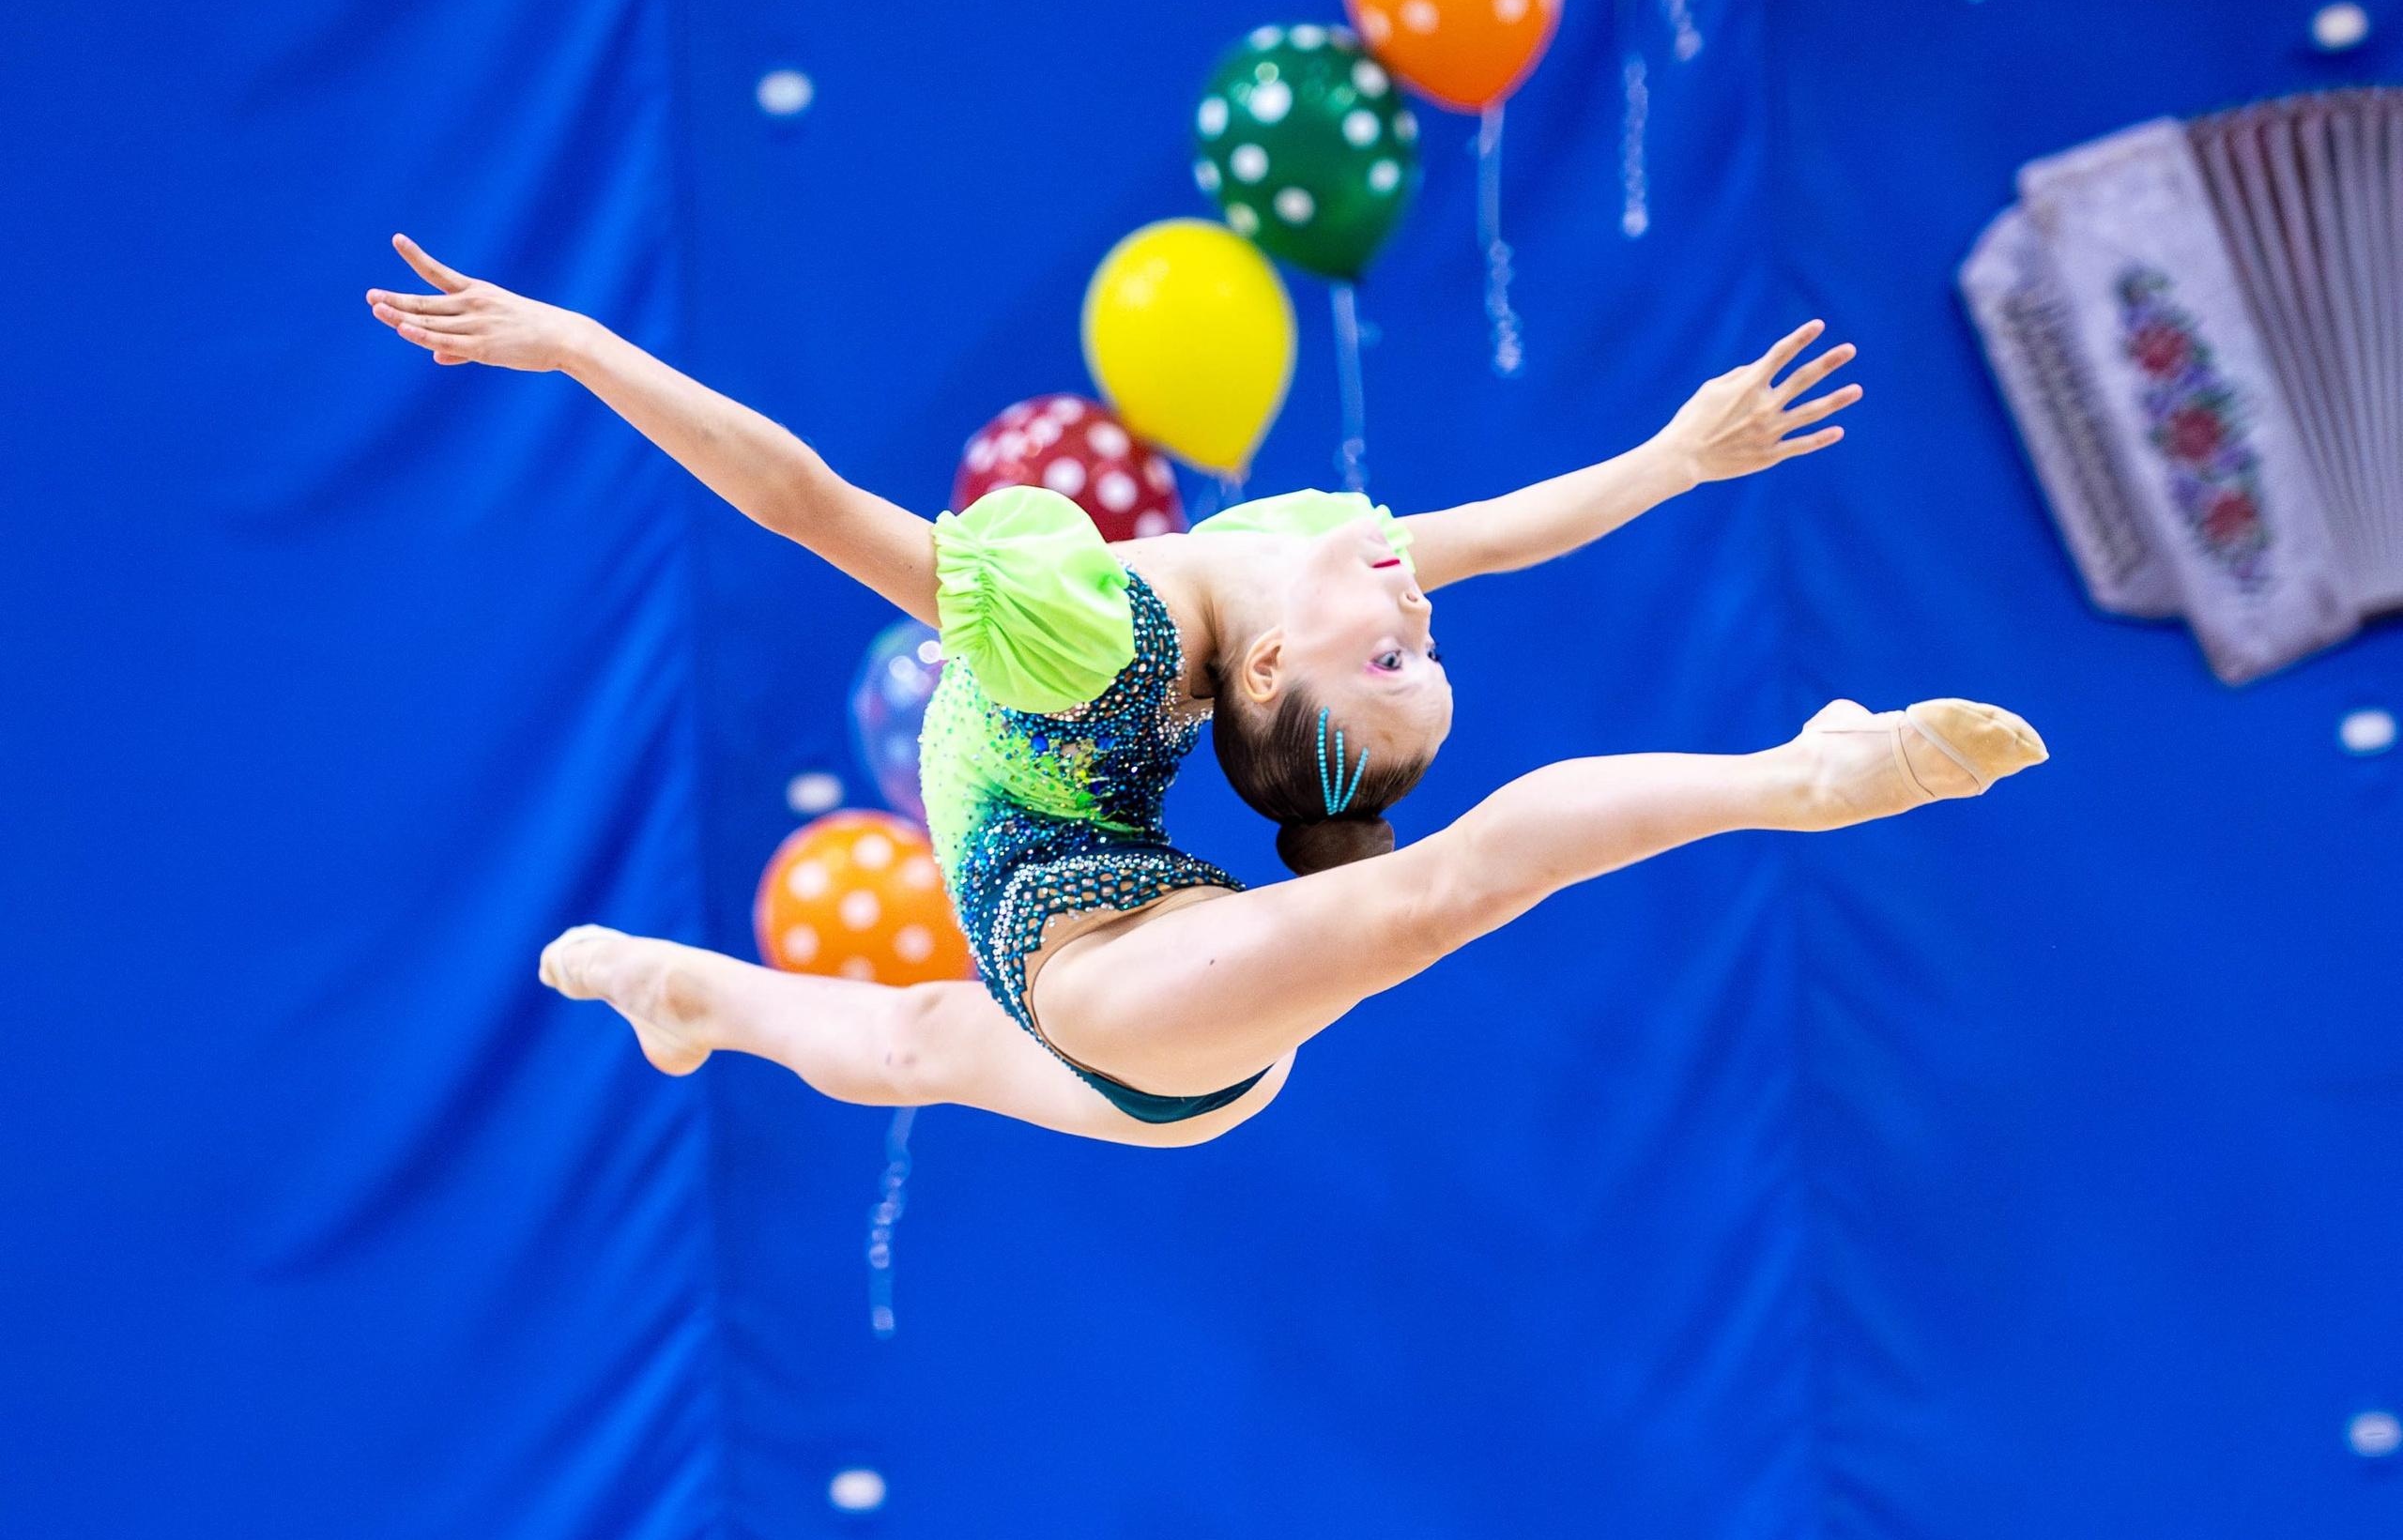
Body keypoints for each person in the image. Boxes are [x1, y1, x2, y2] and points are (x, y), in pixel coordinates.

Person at [367, 236, 2043, 1150]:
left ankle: (1804, 778)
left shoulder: (1086, 627)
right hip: (1146, 983)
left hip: (1112, 986)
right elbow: (1510, 538)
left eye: (1394, 663)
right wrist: (1676, 458)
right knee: (917, 1041)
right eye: (1421, 658)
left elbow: (801, 499)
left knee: (1439, 891)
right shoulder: (1324, 554)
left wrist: (585, 348)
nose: (1413, 609)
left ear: (1264, 676)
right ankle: (694, 1001)